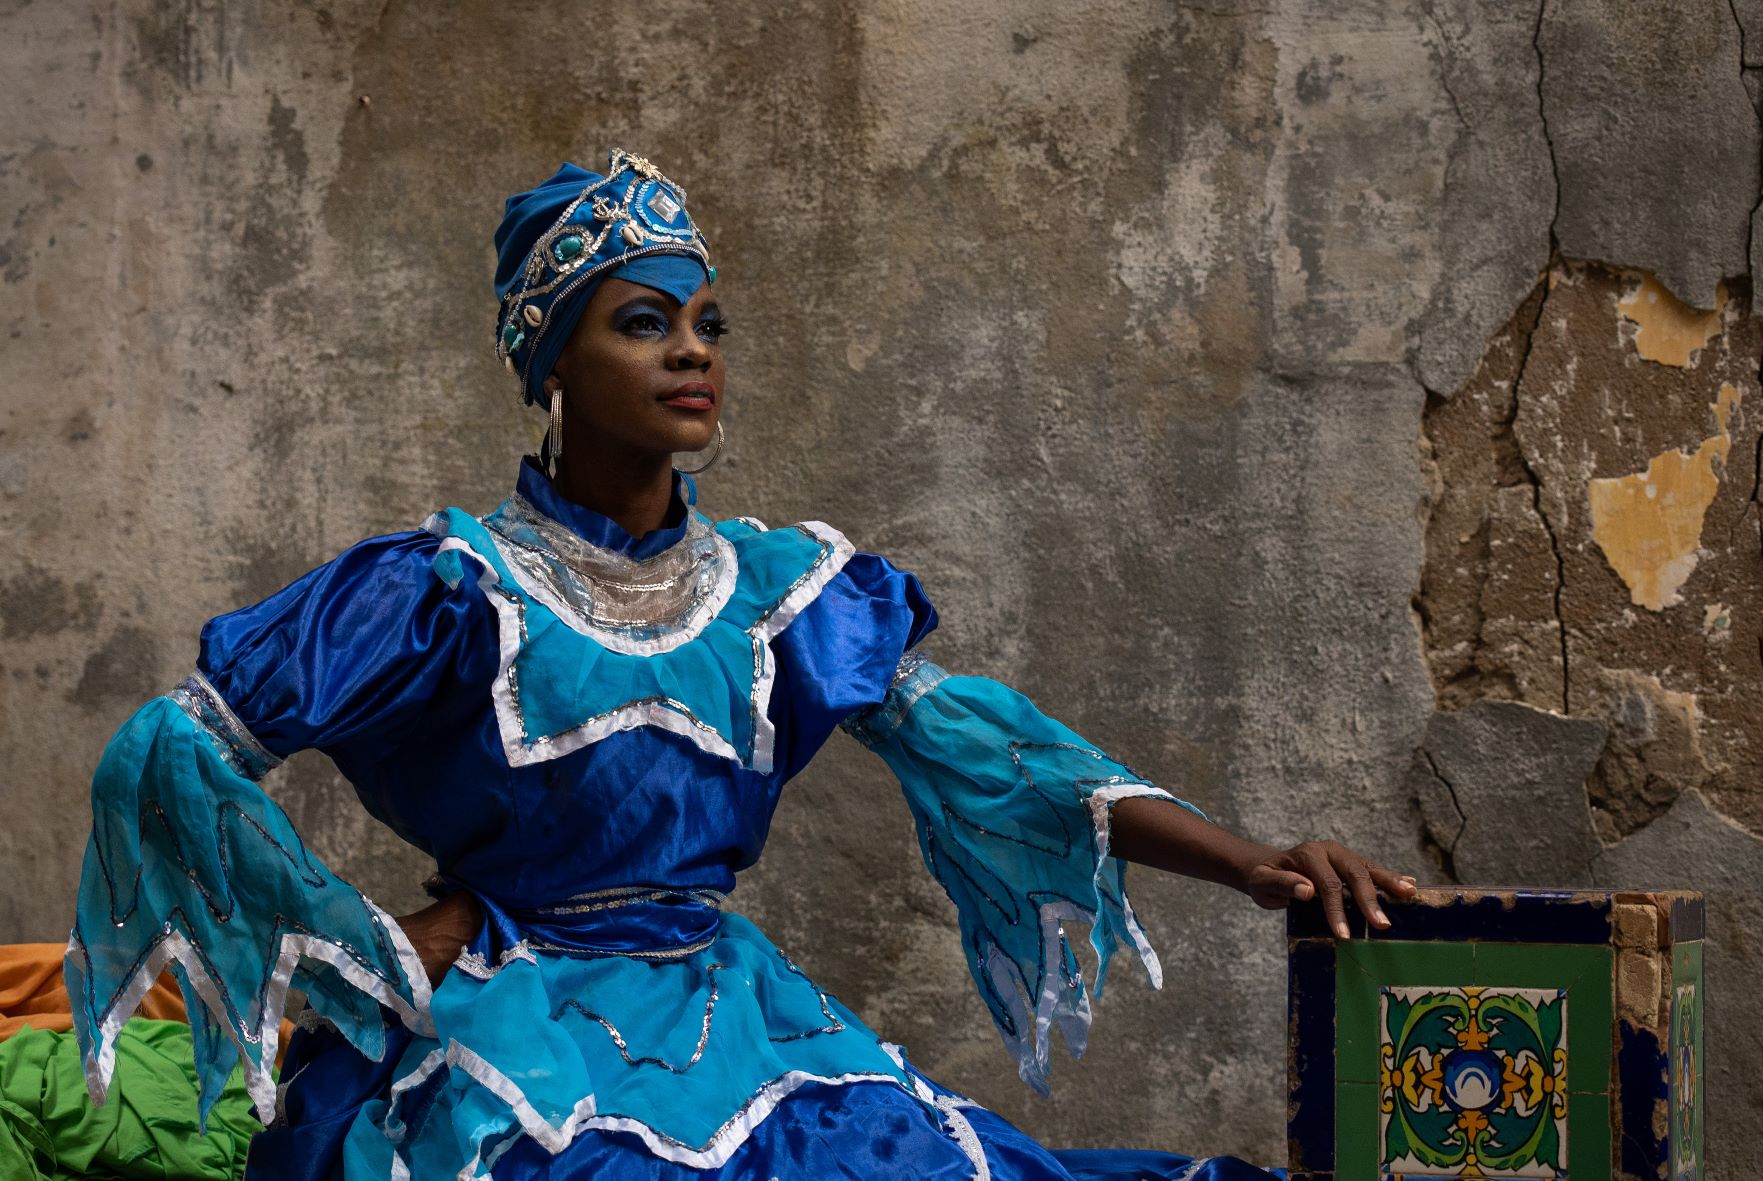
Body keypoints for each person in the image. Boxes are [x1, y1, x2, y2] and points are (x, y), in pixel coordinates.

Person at [64, 149, 1413, 1180]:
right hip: (513, 1025)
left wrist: (1254, 863)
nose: (691, 351)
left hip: (737, 1018)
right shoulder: (446, 591)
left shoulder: (780, 594)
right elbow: (176, 745)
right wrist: (356, 950)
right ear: (551, 358)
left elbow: (1003, 761)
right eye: (644, 322)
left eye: (708, 323)